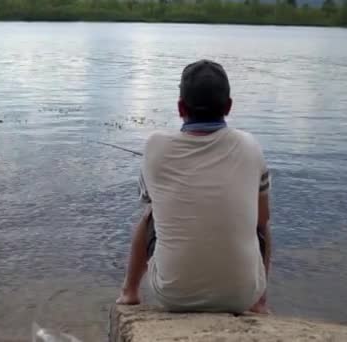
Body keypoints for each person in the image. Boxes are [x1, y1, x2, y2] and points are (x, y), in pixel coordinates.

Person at [116, 60, 272, 314]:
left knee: (151, 215)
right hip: (241, 297)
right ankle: (259, 302)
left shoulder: (156, 145)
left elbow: (152, 204)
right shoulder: (250, 145)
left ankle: (129, 292)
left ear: (180, 107)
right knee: (262, 225)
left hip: (173, 296)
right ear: (229, 106)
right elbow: (263, 219)